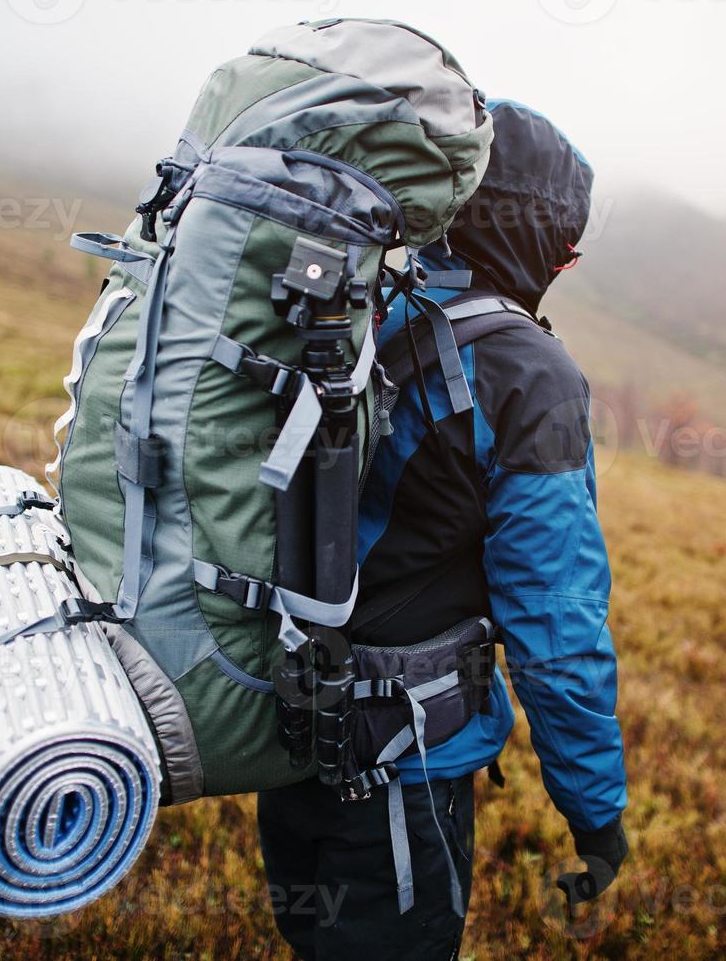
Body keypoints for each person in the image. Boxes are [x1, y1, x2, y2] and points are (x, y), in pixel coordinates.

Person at [256, 99, 628, 960]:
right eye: (566, 247)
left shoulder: (364, 305)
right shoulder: (529, 375)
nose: (565, 265)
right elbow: (558, 629)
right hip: (401, 763)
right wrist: (596, 815)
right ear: (546, 244)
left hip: (291, 731)